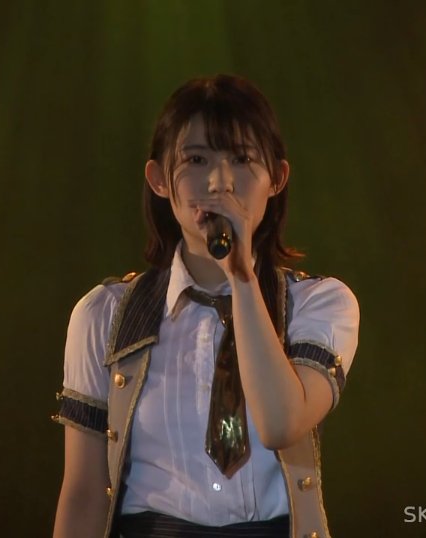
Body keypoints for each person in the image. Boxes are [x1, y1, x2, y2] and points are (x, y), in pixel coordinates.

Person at [52, 74, 360, 538]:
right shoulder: (106, 314)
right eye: (196, 160)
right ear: (159, 179)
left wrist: (242, 276)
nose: (219, 183)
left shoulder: (318, 304)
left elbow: (281, 423)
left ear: (277, 179)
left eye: (242, 159)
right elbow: (83, 494)